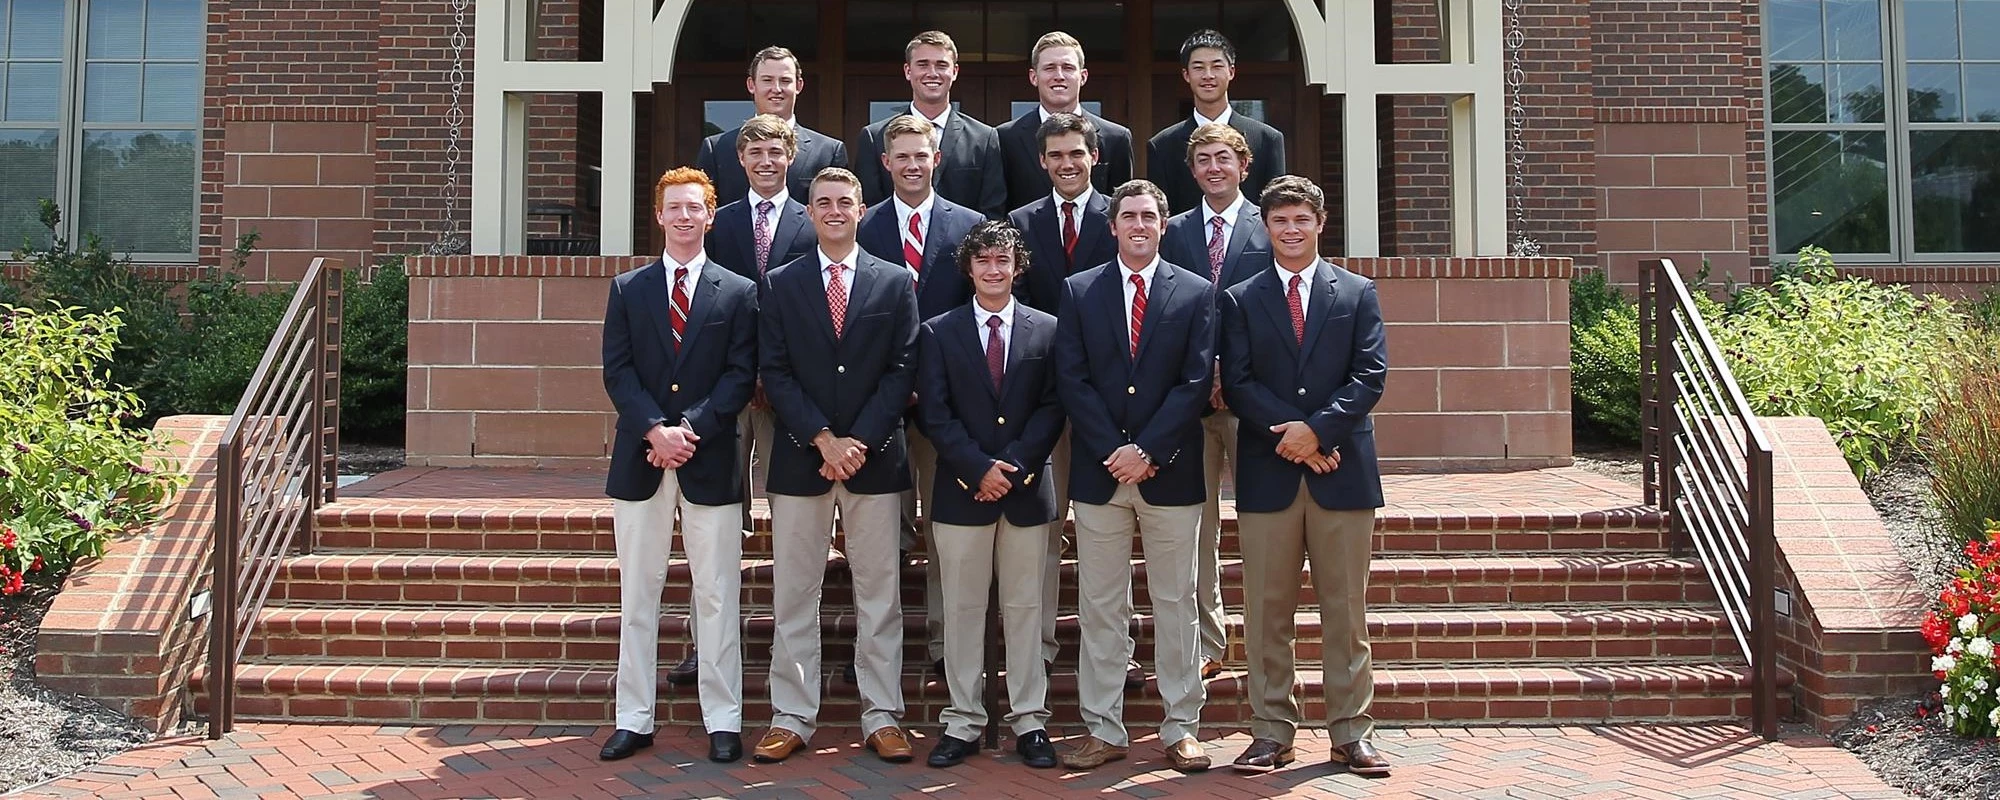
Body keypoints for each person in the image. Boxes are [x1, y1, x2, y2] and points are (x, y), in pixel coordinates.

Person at [1218, 175, 1390, 777]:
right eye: (1279, 221)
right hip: (1270, 475)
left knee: (1346, 609)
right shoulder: (1241, 297)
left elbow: (1369, 375)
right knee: (1267, 610)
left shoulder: (1358, 291)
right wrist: (1293, 437)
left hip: (1342, 472)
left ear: (1321, 223)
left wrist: (1318, 432)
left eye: (1301, 220)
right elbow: (1237, 383)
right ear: (1265, 228)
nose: (1291, 231)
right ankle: (1271, 731)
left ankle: (1351, 731)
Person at [752, 167, 920, 765]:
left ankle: (882, 714)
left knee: (881, 594)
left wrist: (858, 441)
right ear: (810, 210)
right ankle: (792, 714)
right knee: (796, 592)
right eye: (822, 202)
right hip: (803, 458)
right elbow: (774, 369)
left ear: (861, 209)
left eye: (844, 201)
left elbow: (902, 369)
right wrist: (823, 439)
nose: (833, 210)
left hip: (874, 460)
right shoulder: (780, 283)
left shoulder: (895, 282)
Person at [1051, 179, 1214, 773]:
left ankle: (1181, 727)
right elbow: (1073, 380)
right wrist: (1113, 450)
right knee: (1100, 605)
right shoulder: (1079, 291)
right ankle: (1103, 727)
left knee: (1176, 602)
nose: (1138, 226)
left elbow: (1194, 383)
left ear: (1163, 225)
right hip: (1101, 475)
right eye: (1128, 217)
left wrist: (1147, 450)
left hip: (1169, 473)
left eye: (1149, 216)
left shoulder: (1195, 293)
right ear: (1113, 226)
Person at [598, 168, 760, 765]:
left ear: (711, 216)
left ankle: (723, 719)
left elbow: (740, 376)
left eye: (696, 207)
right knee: (639, 595)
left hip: (709, 459)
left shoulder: (738, 291)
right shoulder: (628, 288)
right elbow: (617, 370)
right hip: (641, 459)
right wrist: (654, 430)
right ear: (660, 217)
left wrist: (687, 430)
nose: (685, 217)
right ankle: (633, 716)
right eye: (675, 208)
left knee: (716, 593)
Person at [914, 221, 1064, 771]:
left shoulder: (1047, 330)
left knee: (1025, 608)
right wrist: (977, 468)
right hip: (961, 491)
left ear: (1017, 266)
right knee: (962, 607)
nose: (993, 270)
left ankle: (1029, 720)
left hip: (1026, 491)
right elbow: (934, 412)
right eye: (983, 261)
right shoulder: (938, 331)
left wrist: (1015, 466)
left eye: (1003, 260)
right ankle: (962, 719)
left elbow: (1053, 405)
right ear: (969, 268)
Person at [674, 113, 817, 689]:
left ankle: (795, 648)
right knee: (716, 520)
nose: (765, 160)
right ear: (739, 160)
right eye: (754, 151)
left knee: (793, 520)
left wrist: (774, 372)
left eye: (776, 151)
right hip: (726, 392)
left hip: (792, 393)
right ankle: (701, 644)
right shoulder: (720, 224)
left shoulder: (816, 223)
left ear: (792, 158)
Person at [856, 113, 985, 677]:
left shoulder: (971, 226)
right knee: (877, 537)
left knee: (942, 529)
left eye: (921, 155)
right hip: (875, 401)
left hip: (946, 406)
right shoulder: (863, 227)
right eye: (901, 156)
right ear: (886, 164)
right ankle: (875, 651)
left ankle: (940, 644)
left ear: (938, 159)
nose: (912, 165)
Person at [1159, 122, 1274, 681]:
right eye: (1203, 159)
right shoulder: (1174, 230)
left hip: (1251, 402)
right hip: (1188, 404)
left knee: (1257, 523)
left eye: (1223, 158)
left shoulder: (1268, 226)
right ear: (1192, 169)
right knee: (1197, 527)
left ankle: (1263, 639)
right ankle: (1210, 639)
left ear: (1244, 166)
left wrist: (1234, 372)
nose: (1213, 167)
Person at [854, 31, 1008, 220]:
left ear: (955, 72)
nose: (932, 73)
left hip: (965, 247)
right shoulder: (874, 137)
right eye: (923, 64)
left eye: (941, 65)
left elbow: (992, 212)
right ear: (908, 71)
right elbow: (869, 211)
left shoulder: (984, 139)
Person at [1146, 29, 1286, 215]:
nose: (1208, 75)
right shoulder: (1162, 145)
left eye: (1216, 66)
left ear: (1231, 71)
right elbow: (1161, 216)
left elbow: (1277, 209)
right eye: (1198, 67)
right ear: (1186, 75)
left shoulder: (1266, 139)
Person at [996, 32, 1134, 213]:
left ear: (1083, 76)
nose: (1059, 75)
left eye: (1068, 67)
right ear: (1033, 77)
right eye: (1050, 68)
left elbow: (1122, 210)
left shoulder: (1116, 138)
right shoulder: (1005, 138)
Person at [696, 46, 847, 202]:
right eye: (767, 80)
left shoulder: (828, 152)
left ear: (799, 85)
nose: (776, 89)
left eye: (785, 81)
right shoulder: (717, 149)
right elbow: (705, 211)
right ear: (751, 85)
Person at [1008, 112, 1116, 317]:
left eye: (1076, 154)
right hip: (1043, 343)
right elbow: (1018, 294)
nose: (1067, 165)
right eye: (1056, 155)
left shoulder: (1119, 216)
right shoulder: (1021, 222)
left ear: (1094, 156)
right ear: (1042, 160)